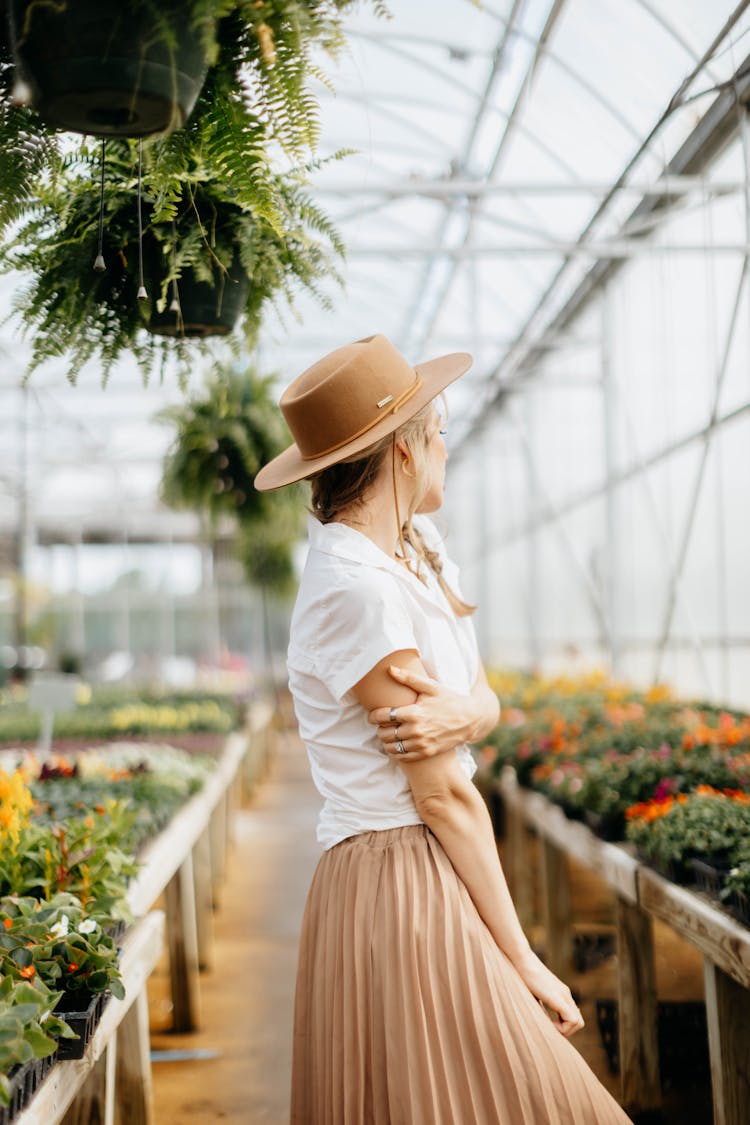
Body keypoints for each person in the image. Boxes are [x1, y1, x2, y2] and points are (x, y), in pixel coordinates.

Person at [255, 334, 632, 1125]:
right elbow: (445, 797)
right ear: (402, 449)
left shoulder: (413, 553)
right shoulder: (356, 589)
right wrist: (524, 957)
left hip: (423, 873)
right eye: (440, 429)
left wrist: (471, 712)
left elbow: (478, 695)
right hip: (401, 881)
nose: (447, 447)